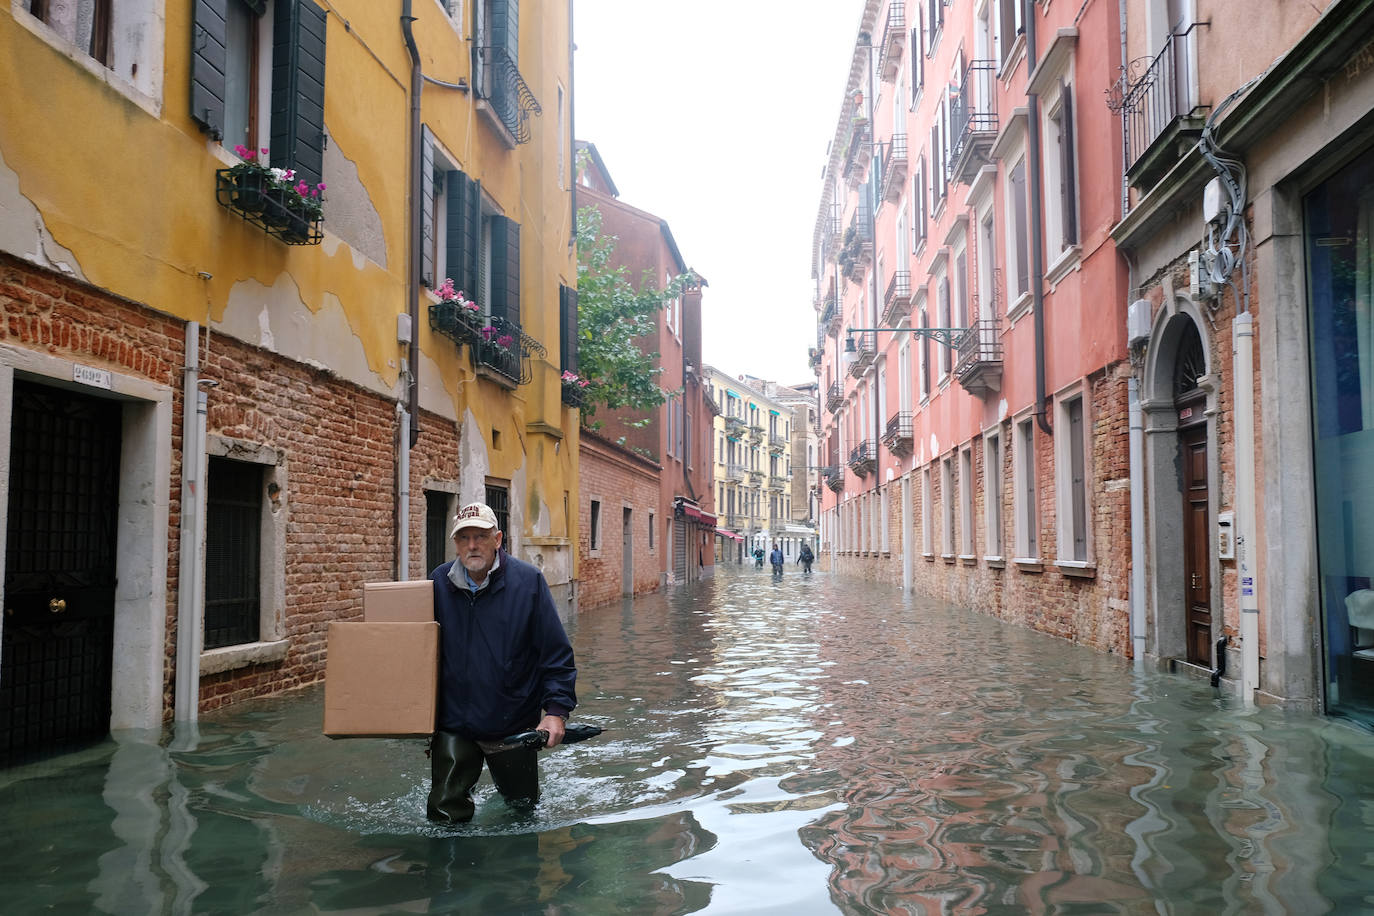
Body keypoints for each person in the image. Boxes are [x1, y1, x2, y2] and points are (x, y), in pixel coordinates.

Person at [427, 502, 578, 825]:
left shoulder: (529, 583)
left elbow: (555, 654)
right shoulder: (437, 583)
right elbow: (420, 655)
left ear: (497, 539)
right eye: (463, 537)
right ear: (455, 543)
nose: (472, 545)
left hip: (512, 724)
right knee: (443, 814)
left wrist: (555, 712)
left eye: (480, 536)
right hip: (455, 723)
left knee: (522, 811)